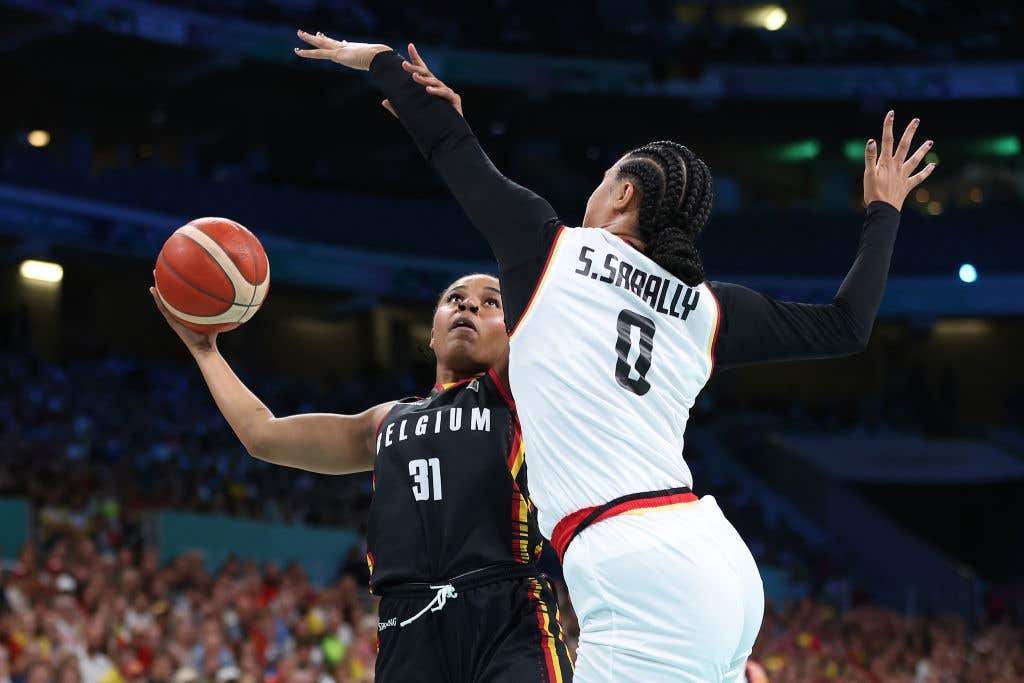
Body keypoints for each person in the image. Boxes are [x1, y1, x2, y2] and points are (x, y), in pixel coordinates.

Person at [294, 31, 935, 683]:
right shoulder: (706, 307)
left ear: (624, 195)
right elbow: (847, 325)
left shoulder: (551, 252)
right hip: (716, 556)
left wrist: (376, 61)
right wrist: (882, 210)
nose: (593, 194)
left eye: (604, 181)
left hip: (633, 565)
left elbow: (452, 150)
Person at [150, 274, 574, 682]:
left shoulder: (516, 394)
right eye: (455, 298)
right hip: (407, 623)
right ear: (432, 334)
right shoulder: (384, 420)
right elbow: (262, 435)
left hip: (505, 611)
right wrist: (207, 352)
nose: (468, 304)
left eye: (491, 302)